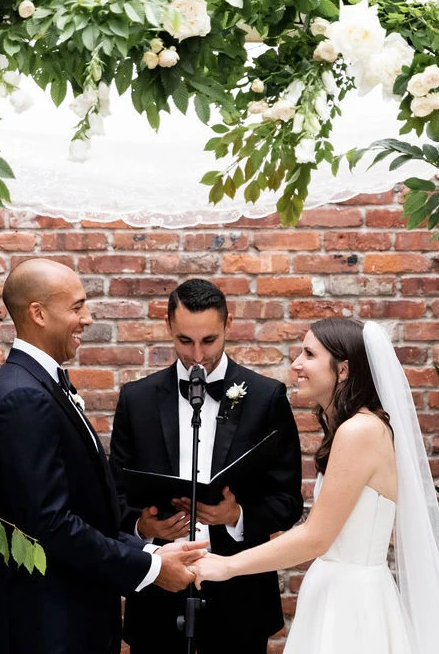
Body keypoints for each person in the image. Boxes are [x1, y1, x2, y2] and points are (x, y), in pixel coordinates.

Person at [192, 318, 439, 654]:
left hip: (351, 606)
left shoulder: (359, 432)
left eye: (309, 354)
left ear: (343, 371)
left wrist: (228, 565)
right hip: (340, 593)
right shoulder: (357, 428)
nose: (296, 364)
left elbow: (316, 537)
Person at [0, 259, 207, 654]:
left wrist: (149, 549)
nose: (88, 318)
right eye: (77, 307)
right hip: (51, 627)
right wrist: (150, 570)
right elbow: (50, 524)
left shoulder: (38, 384)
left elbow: (80, 511)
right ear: (39, 313)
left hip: (69, 618)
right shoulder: (24, 397)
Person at [109, 279, 303, 654]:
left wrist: (237, 515)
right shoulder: (137, 399)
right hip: (157, 591)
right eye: (185, 341)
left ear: (228, 324)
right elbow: (115, 492)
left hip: (240, 594)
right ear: (168, 327)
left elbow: (287, 500)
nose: (197, 354)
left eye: (209, 341)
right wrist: (141, 526)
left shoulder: (266, 397)